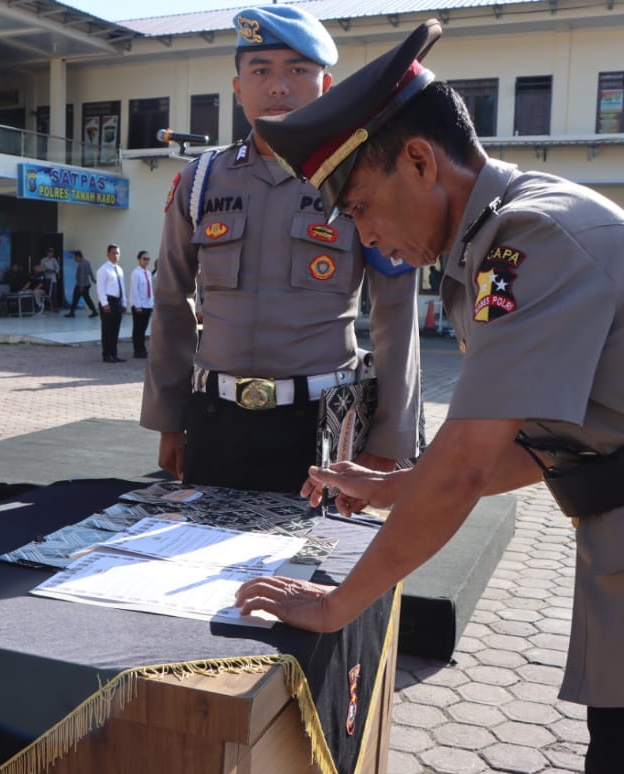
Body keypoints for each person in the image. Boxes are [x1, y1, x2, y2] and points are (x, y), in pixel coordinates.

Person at [241, 20, 624, 774]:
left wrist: (336, 604)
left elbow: (468, 465)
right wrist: (395, 484)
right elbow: (532, 437)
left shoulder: (532, 239)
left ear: (421, 162)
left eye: (360, 207)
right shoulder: (496, 242)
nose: (365, 237)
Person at [140, 5, 422, 495]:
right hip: (216, 421)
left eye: (297, 70)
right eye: (261, 70)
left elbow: (395, 315)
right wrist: (169, 418)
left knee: (312, 567)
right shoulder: (199, 181)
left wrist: (391, 438)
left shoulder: (363, 179)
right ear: (237, 88)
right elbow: (170, 301)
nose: (278, 86)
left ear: (326, 85)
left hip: (324, 428)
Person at [96, 244, 127, 363]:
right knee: (107, 329)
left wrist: (124, 302)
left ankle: (114, 354)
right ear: (108, 254)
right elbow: (100, 287)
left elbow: (122, 287)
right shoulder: (103, 269)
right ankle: (106, 354)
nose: (116, 255)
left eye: (118, 253)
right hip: (108, 301)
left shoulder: (119, 269)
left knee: (115, 329)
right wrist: (104, 303)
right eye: (113, 253)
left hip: (117, 302)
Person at [129, 250, 155, 358]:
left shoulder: (148, 273)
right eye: (144, 259)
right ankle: (137, 350)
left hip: (147, 305)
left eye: (148, 259)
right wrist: (137, 305)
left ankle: (142, 349)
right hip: (139, 306)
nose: (146, 261)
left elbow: (150, 289)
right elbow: (134, 290)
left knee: (143, 329)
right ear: (139, 259)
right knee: (138, 329)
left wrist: (152, 304)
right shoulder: (136, 273)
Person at [65, 249, 98, 317]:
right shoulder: (87, 262)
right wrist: (93, 280)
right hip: (86, 284)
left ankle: (72, 313)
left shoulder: (82, 264)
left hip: (81, 285)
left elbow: (82, 275)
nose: (75, 259)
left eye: (75, 258)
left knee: (76, 298)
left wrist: (81, 287)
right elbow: (90, 272)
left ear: (78, 257)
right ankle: (94, 311)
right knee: (86, 298)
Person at [40, 246, 61, 310]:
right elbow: (40, 268)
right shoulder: (43, 260)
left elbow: (58, 269)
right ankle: (46, 307)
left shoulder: (54, 260)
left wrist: (54, 271)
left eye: (52, 253)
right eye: (49, 252)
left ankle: (55, 307)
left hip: (53, 279)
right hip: (46, 279)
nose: (51, 254)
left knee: (54, 293)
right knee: (46, 293)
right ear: (47, 253)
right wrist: (46, 270)